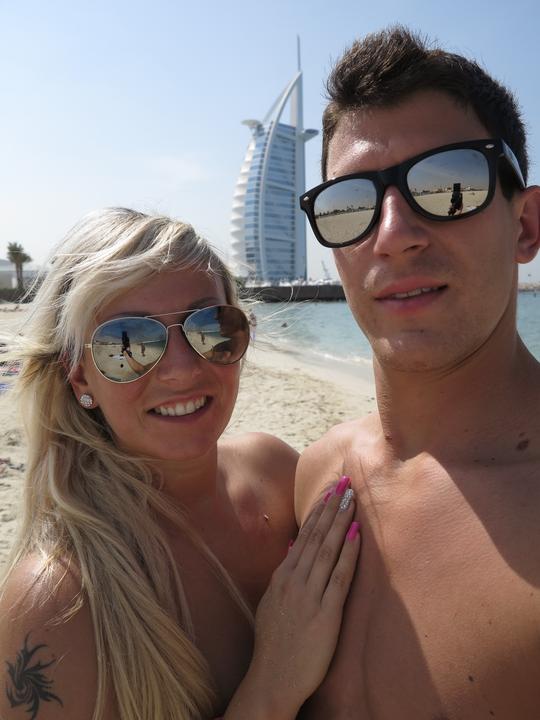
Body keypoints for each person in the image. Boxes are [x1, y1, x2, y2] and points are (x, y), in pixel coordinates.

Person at [0, 208, 361, 720]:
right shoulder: (56, 600)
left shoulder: (278, 474)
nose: (182, 369)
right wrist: (273, 683)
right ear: (80, 377)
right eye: (128, 342)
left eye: (211, 326)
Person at [297, 26, 540, 719]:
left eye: (449, 185)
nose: (392, 234)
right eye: (349, 204)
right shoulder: (318, 478)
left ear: (526, 225)